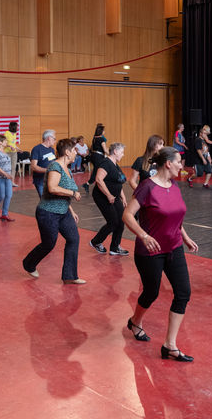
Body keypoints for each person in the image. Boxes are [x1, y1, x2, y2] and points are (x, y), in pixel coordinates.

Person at [122, 147, 199, 362]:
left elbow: (177, 215)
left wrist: (184, 236)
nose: (181, 166)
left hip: (174, 248)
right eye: (179, 162)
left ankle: (170, 345)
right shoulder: (147, 187)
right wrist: (144, 236)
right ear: (168, 163)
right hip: (150, 251)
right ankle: (135, 321)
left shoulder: (174, 186)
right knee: (151, 292)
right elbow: (127, 215)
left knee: (183, 292)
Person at [22, 138, 84, 283]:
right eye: (75, 150)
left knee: (74, 239)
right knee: (49, 243)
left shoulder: (68, 169)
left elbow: (64, 191)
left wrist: (71, 210)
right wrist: (73, 194)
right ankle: (29, 263)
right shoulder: (54, 167)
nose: (76, 153)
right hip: (48, 212)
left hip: (63, 212)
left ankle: (70, 276)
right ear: (68, 152)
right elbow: (53, 188)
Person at [90, 142, 129, 256]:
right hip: (102, 197)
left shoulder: (115, 165)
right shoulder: (105, 163)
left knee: (121, 221)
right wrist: (108, 195)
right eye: (122, 152)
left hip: (115, 196)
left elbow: (118, 181)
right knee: (113, 222)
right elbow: (99, 180)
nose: (123, 155)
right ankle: (96, 242)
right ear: (115, 152)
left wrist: (123, 196)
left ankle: (115, 247)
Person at [0, 135, 15, 222]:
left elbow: (10, 147)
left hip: (7, 177)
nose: (7, 142)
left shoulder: (4, 150)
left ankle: (5, 214)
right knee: (1, 196)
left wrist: (11, 147)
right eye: (5, 141)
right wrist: (5, 174)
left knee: (9, 195)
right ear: (0, 142)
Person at [30, 130, 58, 197]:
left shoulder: (52, 150)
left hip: (52, 180)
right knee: (45, 202)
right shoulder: (37, 149)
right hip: (41, 181)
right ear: (49, 138)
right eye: (54, 139)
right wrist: (48, 170)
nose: (55, 141)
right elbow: (34, 167)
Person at [84, 123, 108, 193]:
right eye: (104, 130)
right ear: (101, 131)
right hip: (98, 157)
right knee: (98, 171)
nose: (104, 132)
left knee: (97, 171)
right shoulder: (101, 139)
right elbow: (105, 150)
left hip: (94, 156)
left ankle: (92, 184)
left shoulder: (94, 138)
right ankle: (88, 184)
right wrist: (112, 154)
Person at [4, 121, 20, 186]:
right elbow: (4, 143)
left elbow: (13, 144)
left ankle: (12, 182)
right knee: (7, 168)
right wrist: (10, 146)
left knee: (13, 168)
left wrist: (18, 148)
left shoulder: (15, 134)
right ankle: (6, 182)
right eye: (17, 126)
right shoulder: (7, 133)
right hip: (7, 152)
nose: (18, 128)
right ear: (14, 127)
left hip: (14, 153)